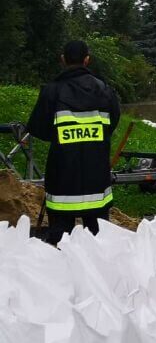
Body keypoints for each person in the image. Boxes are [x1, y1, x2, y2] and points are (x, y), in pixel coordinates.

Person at [26, 40, 120, 245]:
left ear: (63, 59)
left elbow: (38, 128)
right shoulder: (104, 90)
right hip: (96, 183)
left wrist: (64, 136)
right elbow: (112, 123)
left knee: (60, 246)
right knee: (98, 247)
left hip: (62, 184)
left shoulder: (52, 91)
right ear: (87, 59)